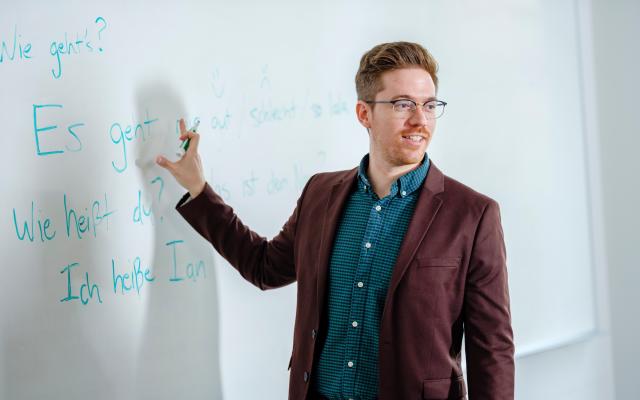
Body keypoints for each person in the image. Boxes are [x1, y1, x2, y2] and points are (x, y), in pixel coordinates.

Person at [157, 41, 514, 400]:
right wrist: (198, 190)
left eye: (429, 105)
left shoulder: (473, 215)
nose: (420, 119)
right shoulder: (320, 194)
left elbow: (492, 351)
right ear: (364, 114)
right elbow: (264, 267)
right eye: (403, 104)